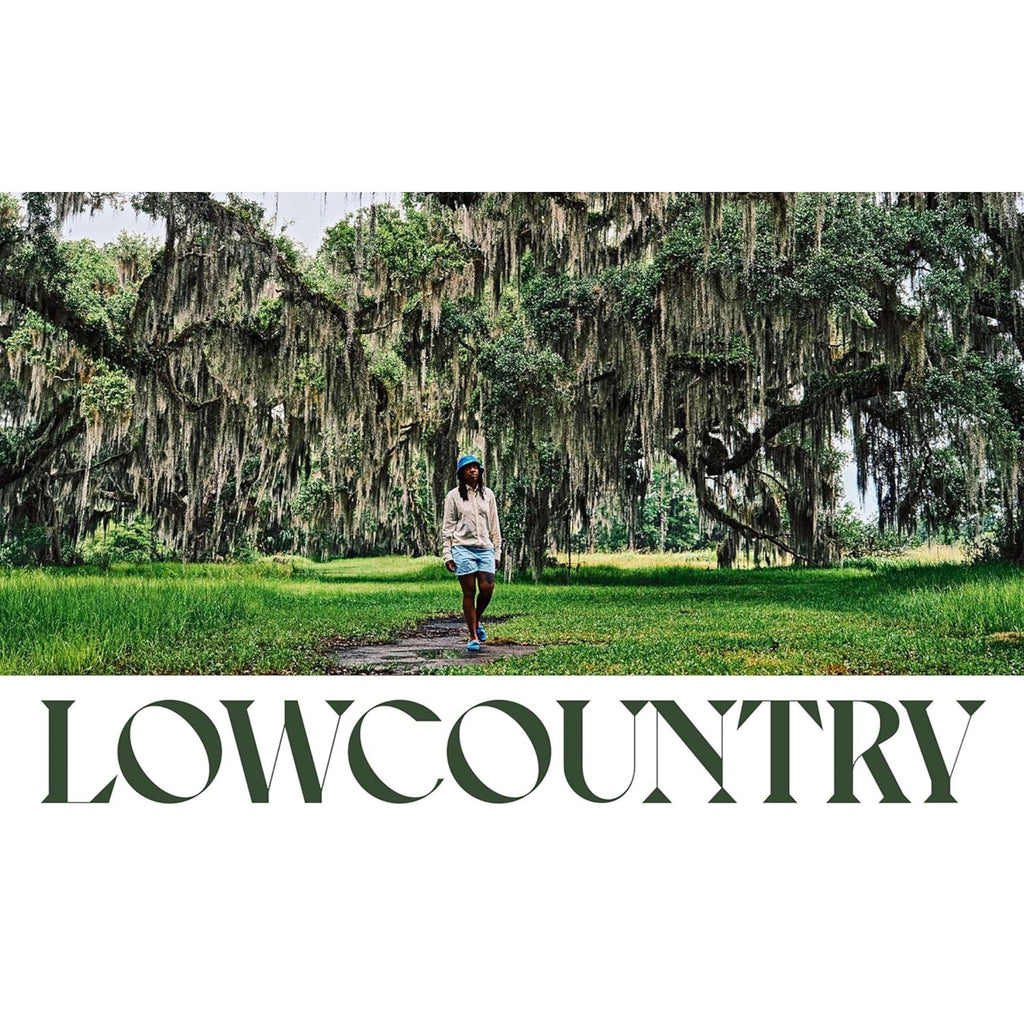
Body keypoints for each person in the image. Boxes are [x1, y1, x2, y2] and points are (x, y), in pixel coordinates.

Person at [441, 454, 502, 651]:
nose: (473, 470)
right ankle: (473, 636)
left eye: (476, 467)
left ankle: (476, 619)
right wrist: (447, 554)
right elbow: (448, 527)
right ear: (461, 474)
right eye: (469, 468)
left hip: (485, 548)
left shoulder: (488, 495)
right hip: (462, 548)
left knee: (487, 587)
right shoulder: (453, 497)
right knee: (469, 591)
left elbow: (494, 525)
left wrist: (497, 551)